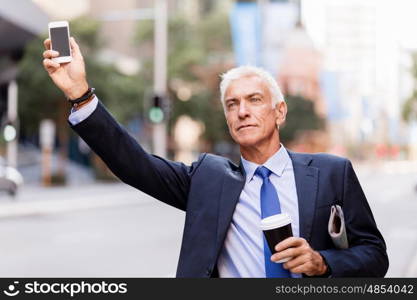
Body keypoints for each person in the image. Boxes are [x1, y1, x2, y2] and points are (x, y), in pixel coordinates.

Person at [42, 37, 388, 278]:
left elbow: (374, 255)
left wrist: (321, 263)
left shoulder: (331, 172)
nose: (242, 112)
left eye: (254, 100)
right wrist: (80, 95)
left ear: (279, 111)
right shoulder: (208, 178)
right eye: (232, 104)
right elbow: (134, 164)